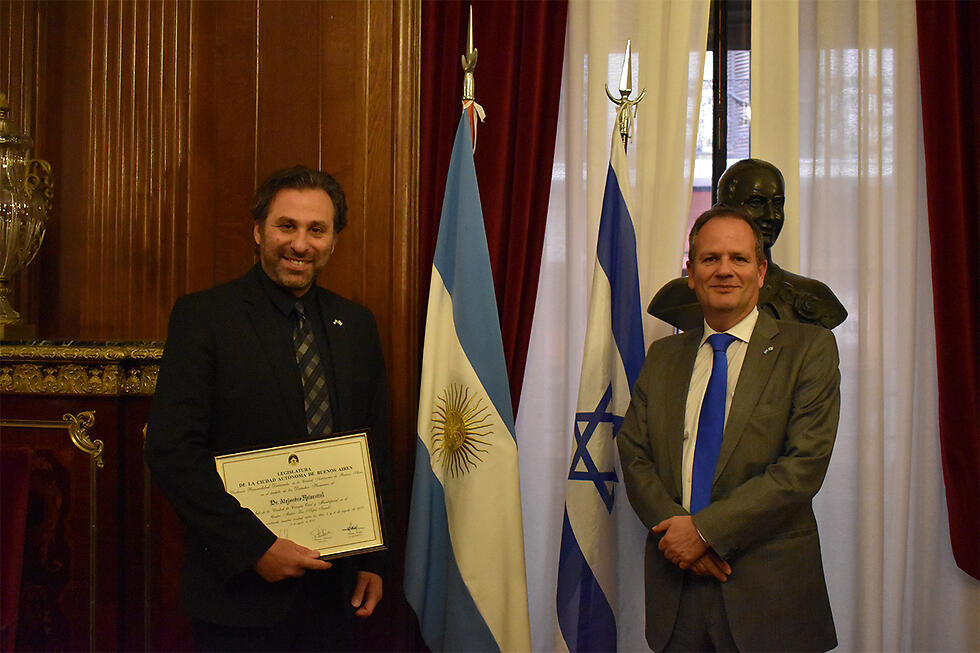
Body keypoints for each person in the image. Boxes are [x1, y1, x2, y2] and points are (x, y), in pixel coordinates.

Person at [145, 165, 390, 652]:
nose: (300, 244)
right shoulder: (204, 318)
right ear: (258, 231)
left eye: (316, 230)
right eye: (287, 226)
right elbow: (172, 450)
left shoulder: (357, 325)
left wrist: (372, 559)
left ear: (333, 240)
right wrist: (254, 548)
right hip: (239, 597)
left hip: (335, 594)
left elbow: (374, 445)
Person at [618, 206, 840, 652]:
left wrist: (704, 533)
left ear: (760, 272)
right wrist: (679, 531)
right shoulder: (663, 356)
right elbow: (633, 451)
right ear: (691, 273)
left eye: (738, 259)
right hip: (676, 597)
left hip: (770, 600)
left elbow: (802, 468)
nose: (724, 270)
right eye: (710, 259)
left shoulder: (808, 349)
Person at [648, 159, 847, 331]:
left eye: (777, 204)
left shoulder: (815, 295)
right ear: (723, 209)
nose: (770, 216)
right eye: (756, 203)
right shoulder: (676, 297)